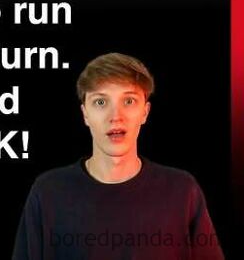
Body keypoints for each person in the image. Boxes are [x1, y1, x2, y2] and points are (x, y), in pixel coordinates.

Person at [12, 53, 224, 259]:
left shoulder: (183, 190)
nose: (115, 117)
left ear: (145, 112)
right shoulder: (47, 191)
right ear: (85, 113)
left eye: (129, 101)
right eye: (101, 102)